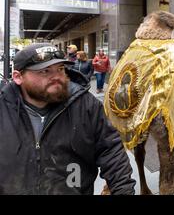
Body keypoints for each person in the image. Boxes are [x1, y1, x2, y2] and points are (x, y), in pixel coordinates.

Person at [0, 43, 136, 194]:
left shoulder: (85, 105)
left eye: (60, 69)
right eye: (45, 71)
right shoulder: (4, 109)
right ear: (18, 77)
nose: (57, 77)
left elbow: (111, 152)